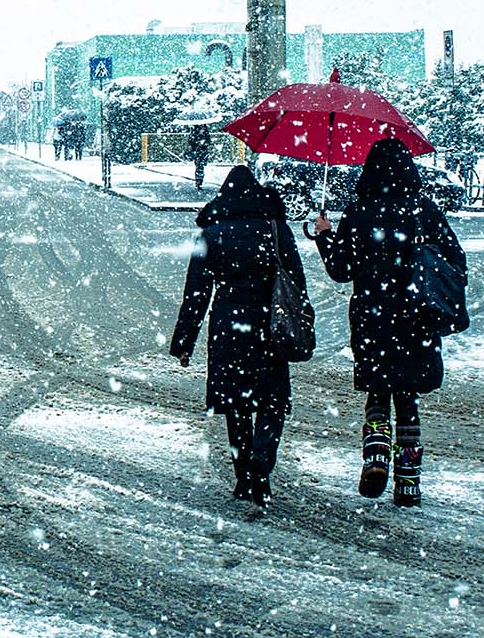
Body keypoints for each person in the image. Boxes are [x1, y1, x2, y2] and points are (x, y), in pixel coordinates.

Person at [312, 138, 466, 508]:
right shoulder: (425, 211)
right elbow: (456, 261)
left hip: (372, 318)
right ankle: (409, 482)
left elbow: (340, 269)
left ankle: (376, 453)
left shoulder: (359, 212)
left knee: (378, 392)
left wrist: (323, 235)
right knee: (407, 397)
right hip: (417, 317)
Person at [170, 165, 309, 507]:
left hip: (228, 325)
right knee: (272, 401)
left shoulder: (212, 234)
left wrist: (184, 342)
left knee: (237, 404)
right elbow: (296, 283)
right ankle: (262, 464)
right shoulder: (276, 229)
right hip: (269, 325)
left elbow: (196, 294)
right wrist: (301, 322)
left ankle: (244, 474)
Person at [185, 123, 212, 193]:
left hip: (203, 152)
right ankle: (199, 182)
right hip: (197, 152)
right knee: (199, 166)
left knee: (200, 166)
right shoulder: (194, 131)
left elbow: (209, 141)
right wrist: (198, 143)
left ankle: (199, 181)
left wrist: (204, 143)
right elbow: (191, 142)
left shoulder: (205, 132)